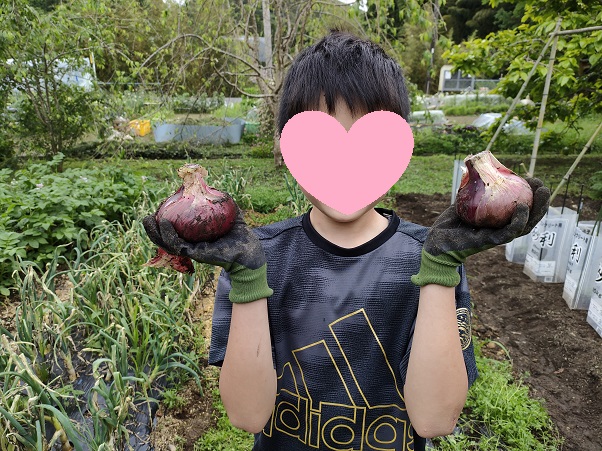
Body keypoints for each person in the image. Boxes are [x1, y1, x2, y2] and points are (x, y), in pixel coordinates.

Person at [143, 30, 550, 451]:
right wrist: (247, 279)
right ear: (286, 148)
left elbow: (434, 419)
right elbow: (247, 416)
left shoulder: (429, 258)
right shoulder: (256, 259)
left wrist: (440, 271)